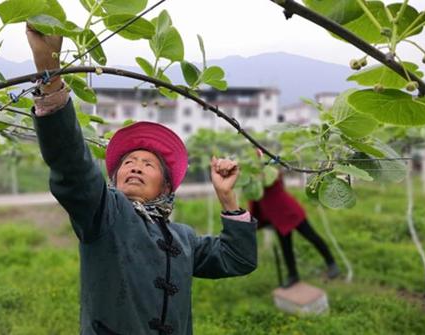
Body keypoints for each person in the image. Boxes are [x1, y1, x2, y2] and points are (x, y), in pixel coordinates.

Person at [27, 26, 258, 335]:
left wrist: (228, 198)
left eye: (148, 164)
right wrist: (50, 76)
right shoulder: (105, 215)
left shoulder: (184, 239)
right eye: (128, 163)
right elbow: (72, 166)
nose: (135, 167)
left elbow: (238, 259)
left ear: (165, 187)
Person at [249, 174, 339, 288]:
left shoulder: (270, 175)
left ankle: (332, 263)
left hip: (291, 212)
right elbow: (254, 202)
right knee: (286, 248)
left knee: (312, 237)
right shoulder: (252, 183)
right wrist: (258, 220)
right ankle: (293, 275)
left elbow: (277, 179)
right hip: (277, 218)